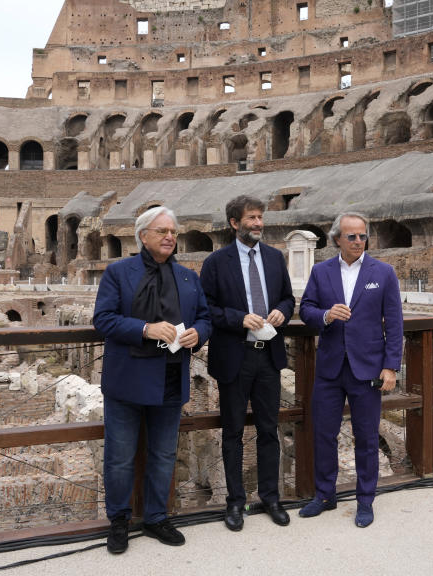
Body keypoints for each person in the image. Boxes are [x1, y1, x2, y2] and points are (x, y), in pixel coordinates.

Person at [92, 206, 211, 555]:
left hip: (171, 376)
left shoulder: (189, 277)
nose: (170, 237)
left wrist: (197, 335)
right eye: (162, 231)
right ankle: (119, 520)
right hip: (128, 377)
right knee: (120, 456)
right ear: (143, 236)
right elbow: (104, 319)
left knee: (163, 453)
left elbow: (205, 318)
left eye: (173, 231)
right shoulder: (119, 273)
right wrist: (145, 328)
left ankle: (156, 517)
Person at [298, 212, 403, 528]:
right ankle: (325, 495)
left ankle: (365, 500)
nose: (358, 241)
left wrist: (390, 367)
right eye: (352, 236)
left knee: (367, 437)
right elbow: (305, 310)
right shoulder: (321, 271)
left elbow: (395, 324)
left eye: (362, 236)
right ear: (337, 240)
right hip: (330, 367)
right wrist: (327, 315)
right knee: (324, 434)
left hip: (368, 368)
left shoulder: (383, 273)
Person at [200, 195, 295, 532]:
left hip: (268, 357)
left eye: (260, 217)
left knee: (270, 431)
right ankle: (235, 502)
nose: (258, 223)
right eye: (251, 218)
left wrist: (283, 311)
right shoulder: (216, 263)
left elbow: (288, 296)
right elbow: (206, 309)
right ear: (234, 223)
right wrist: (239, 318)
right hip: (234, 358)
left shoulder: (274, 257)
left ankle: (270, 498)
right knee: (233, 433)